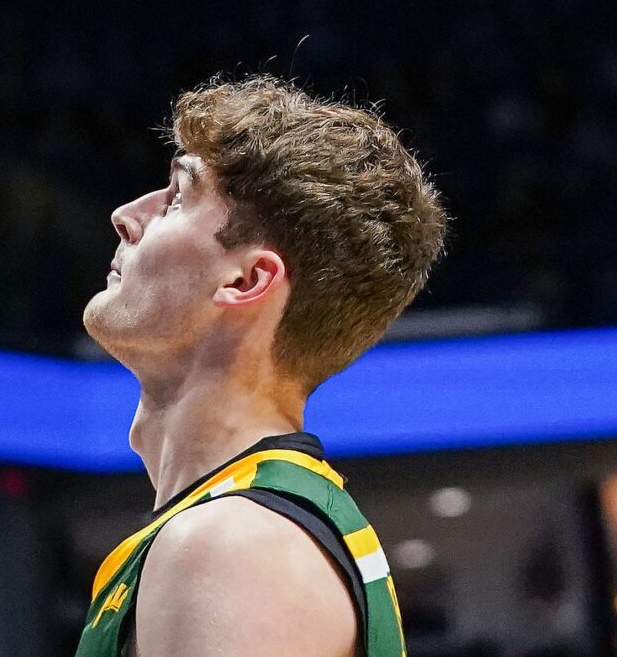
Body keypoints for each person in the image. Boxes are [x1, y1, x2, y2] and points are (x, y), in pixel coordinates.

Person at [76, 75, 447, 657]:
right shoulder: (256, 527)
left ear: (246, 281)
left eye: (177, 197)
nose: (126, 215)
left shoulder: (231, 546)